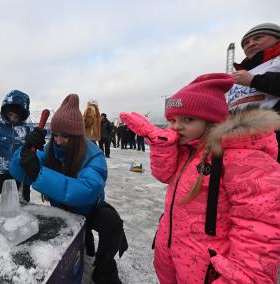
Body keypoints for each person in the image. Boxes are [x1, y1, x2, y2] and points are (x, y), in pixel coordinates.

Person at [120, 73, 280, 283]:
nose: (176, 126)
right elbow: (164, 175)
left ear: (212, 119)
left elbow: (259, 231)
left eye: (188, 119)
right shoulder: (187, 150)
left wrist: (239, 279)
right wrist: (162, 145)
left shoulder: (244, 158)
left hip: (208, 270)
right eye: (172, 120)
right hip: (174, 257)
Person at [10, 94, 128, 284]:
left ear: (77, 135)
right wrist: (25, 149)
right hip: (61, 212)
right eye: (55, 134)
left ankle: (104, 268)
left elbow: (87, 190)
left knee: (112, 222)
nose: (58, 140)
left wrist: (39, 174)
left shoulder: (93, 155)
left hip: (89, 210)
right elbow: (17, 171)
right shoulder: (48, 151)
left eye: (65, 135)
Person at [227, 22, 280, 162]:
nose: (250, 44)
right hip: (242, 147)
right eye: (245, 43)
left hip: (273, 145)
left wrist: (254, 81)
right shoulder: (243, 72)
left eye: (258, 38)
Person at [0, 90, 33, 202]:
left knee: (22, 207)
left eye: (17, 116)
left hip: (21, 175)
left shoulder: (28, 129)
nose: (13, 118)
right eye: (10, 114)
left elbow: (34, 151)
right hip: (0, 174)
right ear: (5, 110)